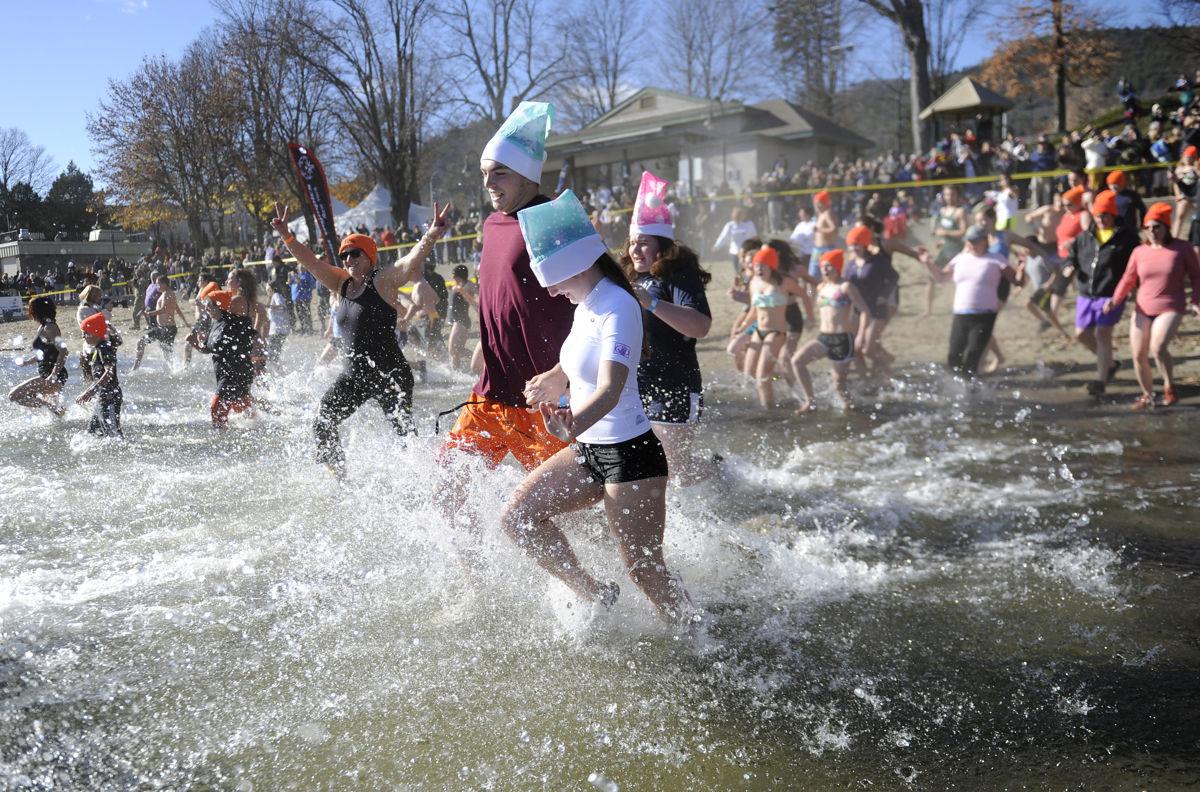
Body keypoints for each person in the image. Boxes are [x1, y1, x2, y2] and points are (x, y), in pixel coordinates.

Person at [499, 189, 691, 622]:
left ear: (576, 265)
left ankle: (700, 638)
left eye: (554, 280)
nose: (551, 291)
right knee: (519, 518)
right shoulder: (586, 304)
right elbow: (581, 358)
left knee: (645, 570)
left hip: (630, 455)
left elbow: (611, 386)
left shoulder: (618, 305)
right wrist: (556, 376)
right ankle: (595, 594)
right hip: (589, 451)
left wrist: (574, 423)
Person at [442, 102, 575, 475]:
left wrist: (563, 373)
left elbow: (604, 304)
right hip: (491, 394)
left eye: (499, 173)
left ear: (527, 175)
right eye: (485, 173)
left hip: (545, 399)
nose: (488, 183)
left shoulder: (554, 220)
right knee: (448, 485)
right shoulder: (491, 223)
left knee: (570, 512)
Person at [272, 201, 451, 475]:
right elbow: (310, 261)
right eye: (345, 256)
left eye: (355, 254)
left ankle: (426, 478)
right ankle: (341, 479)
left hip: (389, 374)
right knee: (323, 420)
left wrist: (432, 233)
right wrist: (287, 237)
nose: (349, 260)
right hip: (354, 377)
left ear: (369, 256)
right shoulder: (341, 283)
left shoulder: (383, 281)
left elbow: (409, 261)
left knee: (405, 436)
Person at [618, 171, 715, 484]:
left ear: (661, 245)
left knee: (676, 470)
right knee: (646, 464)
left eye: (643, 243)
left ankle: (718, 475)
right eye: (632, 243)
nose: (635, 250)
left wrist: (653, 304)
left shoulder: (678, 276)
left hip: (675, 384)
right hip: (638, 385)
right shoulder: (631, 279)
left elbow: (700, 326)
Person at [1104, 202, 1200, 408]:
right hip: (1142, 307)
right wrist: (1115, 299)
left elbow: (1196, 277)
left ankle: (1169, 386)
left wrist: (1195, 301)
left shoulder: (1181, 248)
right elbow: (1128, 279)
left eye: (1157, 227)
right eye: (1148, 228)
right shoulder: (1139, 251)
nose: (1152, 232)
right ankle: (1147, 395)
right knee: (1138, 354)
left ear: (1166, 227)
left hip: (1171, 306)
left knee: (1158, 347)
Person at [1063, 189, 1139, 396]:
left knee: (1102, 335)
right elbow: (1073, 255)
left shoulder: (1127, 238)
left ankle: (1100, 381)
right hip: (1086, 293)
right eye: (1098, 216)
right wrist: (1069, 265)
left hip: (1111, 294)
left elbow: (1135, 265)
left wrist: (1132, 288)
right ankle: (1110, 363)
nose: (1102, 219)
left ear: (1113, 214)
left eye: (1105, 215)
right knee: (1081, 334)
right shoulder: (1085, 237)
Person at [923, 225, 1024, 378]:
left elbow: (1017, 281)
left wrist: (1022, 267)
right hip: (961, 314)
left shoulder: (996, 259)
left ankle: (972, 393)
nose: (971, 245)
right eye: (969, 241)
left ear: (985, 241)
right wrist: (928, 263)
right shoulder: (960, 259)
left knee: (972, 356)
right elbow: (941, 277)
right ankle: (960, 389)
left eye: (975, 241)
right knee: (953, 357)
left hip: (984, 316)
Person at [791, 249, 871, 411]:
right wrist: (805, 279)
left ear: (837, 266)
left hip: (843, 340)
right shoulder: (821, 287)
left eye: (829, 266)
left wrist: (861, 335)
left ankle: (853, 409)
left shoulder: (846, 287)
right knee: (797, 361)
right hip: (823, 338)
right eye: (823, 267)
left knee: (838, 385)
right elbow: (809, 292)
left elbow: (865, 311)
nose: (825, 270)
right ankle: (810, 401)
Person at [732, 245, 806, 409]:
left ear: (771, 266)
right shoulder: (754, 283)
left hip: (777, 332)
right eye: (757, 265)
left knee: (761, 376)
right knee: (749, 372)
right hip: (759, 331)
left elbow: (805, 294)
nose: (758, 268)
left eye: (763, 265)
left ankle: (769, 410)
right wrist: (743, 326)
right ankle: (778, 384)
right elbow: (753, 310)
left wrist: (812, 314)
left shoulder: (785, 281)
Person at [189, 289, 261, 429]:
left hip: (236, 372)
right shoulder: (214, 323)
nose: (207, 309)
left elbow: (252, 335)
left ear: (219, 306)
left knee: (216, 406)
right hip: (223, 372)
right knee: (245, 412)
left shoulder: (235, 321)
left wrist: (258, 357)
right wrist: (195, 344)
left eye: (209, 306)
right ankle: (261, 426)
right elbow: (209, 349)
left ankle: (220, 436)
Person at [8, 296, 68, 416]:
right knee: (58, 417)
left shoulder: (49, 327)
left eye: (30, 309)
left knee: (14, 396)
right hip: (47, 374)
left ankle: (48, 405)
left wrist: (54, 375)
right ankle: (57, 410)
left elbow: (63, 351)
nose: (28, 312)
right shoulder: (43, 326)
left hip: (53, 375)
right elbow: (45, 353)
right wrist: (27, 362)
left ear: (36, 311)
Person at [76, 313, 123, 438]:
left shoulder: (104, 349)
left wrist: (90, 391)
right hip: (104, 396)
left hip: (110, 396)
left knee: (114, 434)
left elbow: (109, 372)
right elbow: (118, 340)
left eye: (85, 332)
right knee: (92, 432)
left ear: (95, 332)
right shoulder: (102, 346)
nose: (83, 336)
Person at [132, 274, 190, 371]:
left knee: (141, 342)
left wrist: (149, 314)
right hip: (168, 328)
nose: (157, 286)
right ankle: (176, 370)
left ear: (164, 284)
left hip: (166, 328)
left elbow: (163, 309)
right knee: (167, 353)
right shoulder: (167, 293)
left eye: (158, 284)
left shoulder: (168, 294)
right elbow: (177, 309)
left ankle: (135, 369)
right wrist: (185, 322)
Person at [927, 185, 968, 316]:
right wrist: (942, 240)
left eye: (952, 195)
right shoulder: (943, 211)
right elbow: (945, 233)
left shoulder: (960, 211)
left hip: (957, 251)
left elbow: (963, 232)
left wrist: (946, 233)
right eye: (946, 195)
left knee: (957, 280)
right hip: (945, 249)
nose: (949, 197)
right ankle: (928, 310)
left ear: (957, 196)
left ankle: (960, 307)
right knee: (931, 277)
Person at [446, 264, 479, 371]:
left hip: (462, 321)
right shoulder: (459, 285)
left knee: (453, 350)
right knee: (457, 351)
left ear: (459, 276)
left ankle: (480, 359)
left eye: (454, 276)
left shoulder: (469, 285)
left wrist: (463, 292)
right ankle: (455, 373)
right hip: (457, 320)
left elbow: (477, 302)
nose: (453, 278)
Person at [712, 206, 758, 276]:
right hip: (734, 252)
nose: (738, 217)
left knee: (745, 269)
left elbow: (754, 237)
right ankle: (740, 283)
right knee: (737, 270)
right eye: (737, 215)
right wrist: (716, 246)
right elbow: (723, 237)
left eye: (740, 215)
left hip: (746, 251)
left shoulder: (749, 224)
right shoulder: (729, 225)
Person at [809, 190, 839, 281]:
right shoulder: (821, 214)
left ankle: (831, 294)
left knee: (829, 276)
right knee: (812, 276)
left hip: (826, 249)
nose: (817, 206)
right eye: (816, 203)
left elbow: (834, 229)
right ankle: (811, 295)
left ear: (824, 203)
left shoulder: (827, 213)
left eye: (819, 203)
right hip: (817, 249)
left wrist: (819, 229)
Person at [265, 280, 291, 364]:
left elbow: (282, 307)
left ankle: (280, 373)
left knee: (272, 356)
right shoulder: (273, 297)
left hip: (278, 331)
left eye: (268, 288)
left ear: (272, 289)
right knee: (274, 355)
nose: (266, 289)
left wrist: (268, 306)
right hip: (277, 330)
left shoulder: (276, 295)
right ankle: (280, 372)